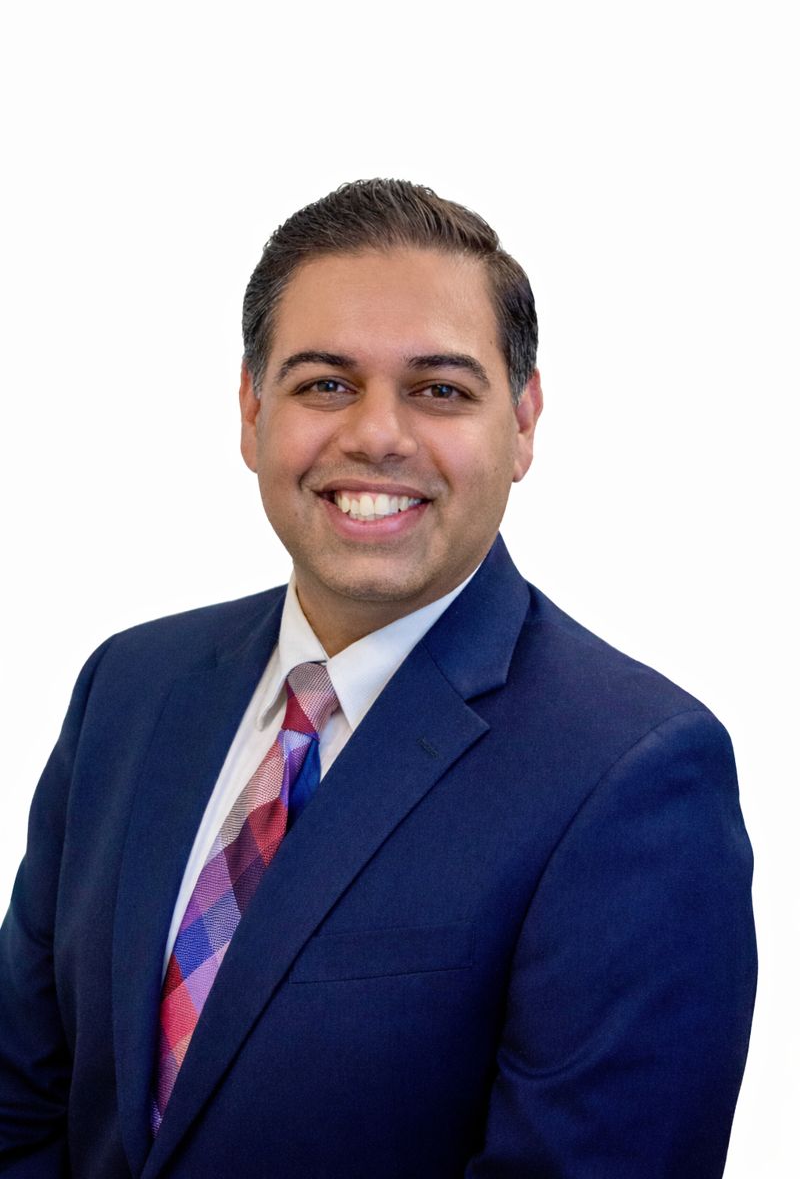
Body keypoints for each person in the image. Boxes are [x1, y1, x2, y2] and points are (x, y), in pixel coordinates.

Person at [0, 179, 756, 1178]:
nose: (376, 435)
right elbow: (22, 1099)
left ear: (523, 422)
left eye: (439, 389)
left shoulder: (634, 775)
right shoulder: (128, 692)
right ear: (250, 411)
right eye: (324, 383)